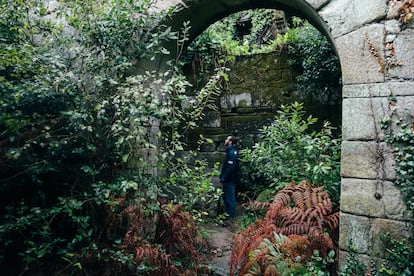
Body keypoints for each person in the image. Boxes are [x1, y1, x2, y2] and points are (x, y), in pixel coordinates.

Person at [219, 135, 239, 222]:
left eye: (227, 139)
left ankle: (230, 219)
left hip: (230, 180)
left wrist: (223, 178)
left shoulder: (232, 153)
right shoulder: (230, 151)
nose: (225, 140)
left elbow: (230, 168)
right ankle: (226, 217)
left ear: (230, 142)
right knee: (226, 198)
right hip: (227, 180)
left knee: (230, 199)